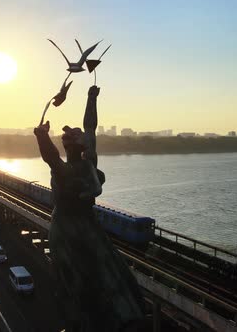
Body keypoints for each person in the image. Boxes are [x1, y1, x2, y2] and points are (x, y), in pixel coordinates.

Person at [34, 86, 145, 331]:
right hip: (68, 231)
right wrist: (42, 137)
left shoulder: (80, 166)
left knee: (103, 272)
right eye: (77, 134)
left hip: (80, 226)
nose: (83, 134)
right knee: (79, 281)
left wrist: (91, 99)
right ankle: (87, 322)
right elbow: (53, 155)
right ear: (77, 145)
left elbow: (90, 128)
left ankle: (109, 318)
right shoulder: (76, 168)